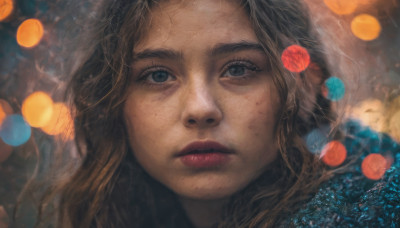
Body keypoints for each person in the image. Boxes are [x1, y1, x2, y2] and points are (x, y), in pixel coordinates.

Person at [31, 0, 399, 227]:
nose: (200, 109)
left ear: (303, 85)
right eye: (157, 75)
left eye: (238, 69)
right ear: (111, 102)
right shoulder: (119, 212)